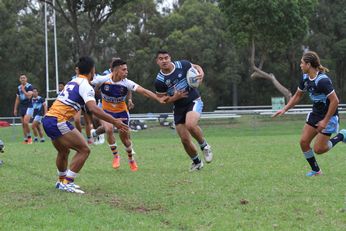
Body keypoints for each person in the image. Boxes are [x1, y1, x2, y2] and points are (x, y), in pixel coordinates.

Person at [42, 56, 128, 194]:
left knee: (63, 151)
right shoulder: (86, 85)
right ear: (92, 70)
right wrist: (114, 121)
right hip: (58, 120)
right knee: (84, 150)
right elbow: (93, 109)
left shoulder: (73, 81)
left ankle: (61, 181)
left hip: (48, 119)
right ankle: (67, 182)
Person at [272, 50, 346, 176]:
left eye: (302, 63)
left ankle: (341, 136)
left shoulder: (322, 81)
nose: (300, 65)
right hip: (315, 114)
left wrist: (325, 121)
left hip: (329, 116)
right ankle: (316, 171)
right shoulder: (305, 78)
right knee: (304, 142)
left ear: (308, 64)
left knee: (319, 149)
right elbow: (297, 96)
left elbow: (335, 101)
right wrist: (285, 109)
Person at [91, 59, 166, 171]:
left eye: (127, 69)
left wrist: (158, 98)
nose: (126, 72)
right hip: (106, 111)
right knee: (109, 129)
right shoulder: (102, 79)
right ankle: (116, 156)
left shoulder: (127, 83)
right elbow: (87, 83)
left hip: (122, 112)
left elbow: (144, 91)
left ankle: (131, 159)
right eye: (124, 69)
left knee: (125, 138)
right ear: (116, 70)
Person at [154, 50, 213, 172]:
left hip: (193, 100)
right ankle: (197, 163)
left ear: (170, 58)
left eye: (166, 58)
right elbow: (162, 99)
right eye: (161, 59)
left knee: (191, 125)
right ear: (157, 62)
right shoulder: (159, 81)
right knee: (185, 140)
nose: (164, 61)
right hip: (178, 107)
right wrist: (175, 98)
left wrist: (201, 73)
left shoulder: (183, 64)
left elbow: (196, 66)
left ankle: (205, 146)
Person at [13, 74, 34, 144]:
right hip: (22, 107)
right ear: (19, 79)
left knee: (26, 122)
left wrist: (23, 90)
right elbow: (17, 99)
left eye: (24, 78)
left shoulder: (30, 86)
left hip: (29, 106)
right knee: (23, 124)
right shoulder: (18, 87)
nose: (22, 79)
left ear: (26, 79)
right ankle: (25, 140)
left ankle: (30, 138)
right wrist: (15, 109)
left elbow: (29, 97)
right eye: (21, 78)